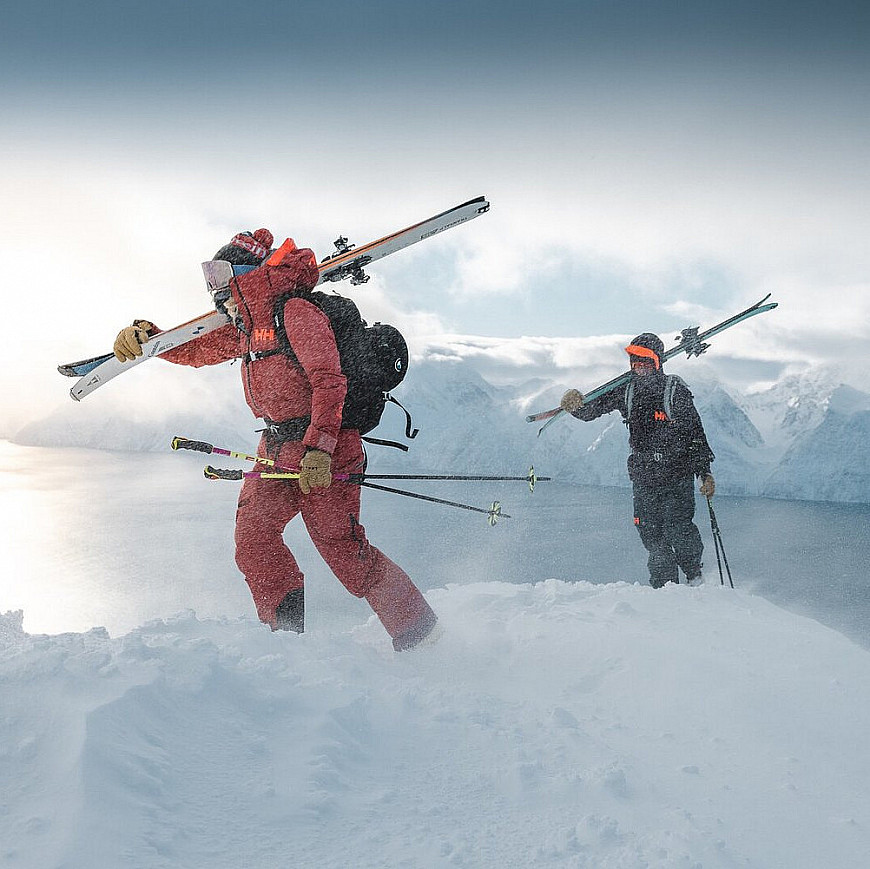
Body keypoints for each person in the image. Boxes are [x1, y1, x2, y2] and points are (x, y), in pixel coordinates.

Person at [113, 229, 438, 650]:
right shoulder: (246, 327)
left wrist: (319, 449)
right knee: (254, 542)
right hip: (276, 451)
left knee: (347, 557)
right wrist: (151, 339)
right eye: (208, 276)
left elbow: (329, 382)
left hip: (327, 449)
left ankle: (422, 636)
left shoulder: (296, 313)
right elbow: (196, 350)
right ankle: (285, 644)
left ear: (246, 274)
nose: (212, 287)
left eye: (219, 275)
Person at [560, 332, 716, 588]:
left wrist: (705, 473)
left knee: (679, 529)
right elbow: (593, 410)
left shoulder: (674, 391)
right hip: (644, 476)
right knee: (651, 534)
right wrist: (574, 405)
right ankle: (664, 588)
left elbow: (695, 434)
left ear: (657, 362)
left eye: (645, 361)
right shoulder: (626, 390)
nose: (639, 367)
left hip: (676, 473)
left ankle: (694, 577)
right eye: (635, 361)